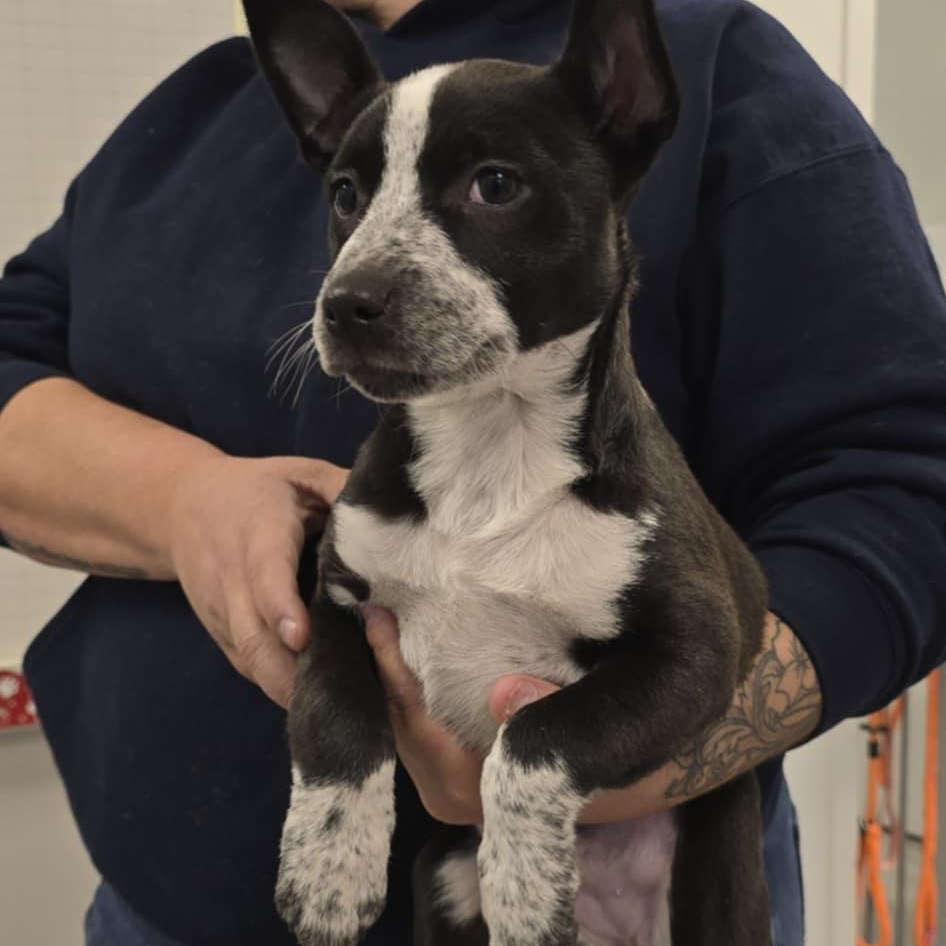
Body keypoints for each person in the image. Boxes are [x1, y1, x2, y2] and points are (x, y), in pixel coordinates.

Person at [1, 0, 945, 943]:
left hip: (662, 895)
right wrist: (178, 498)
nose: (356, 279)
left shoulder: (719, 63)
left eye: (493, 185)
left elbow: (910, 486)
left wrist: (572, 773)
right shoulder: (187, 114)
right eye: (348, 195)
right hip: (164, 908)